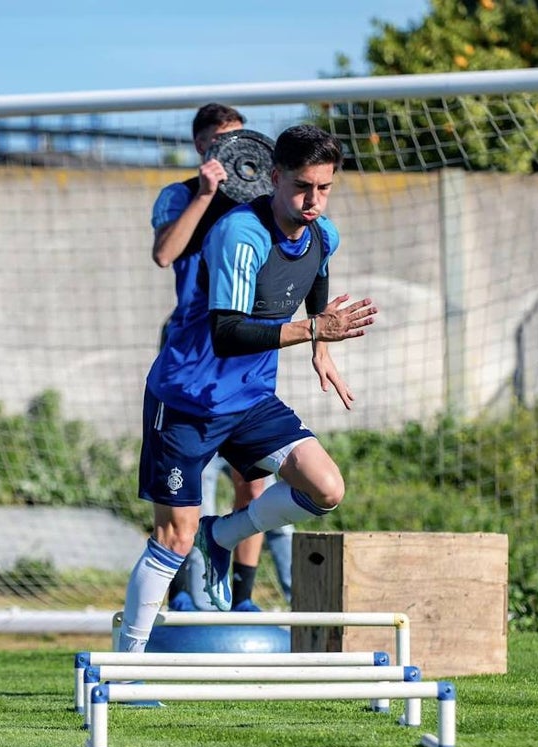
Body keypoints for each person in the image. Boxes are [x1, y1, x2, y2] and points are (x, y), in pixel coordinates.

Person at [118, 124, 377, 652]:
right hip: (187, 398)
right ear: (275, 178)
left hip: (251, 398)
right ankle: (124, 665)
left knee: (325, 487)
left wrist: (320, 348)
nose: (313, 200)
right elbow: (229, 332)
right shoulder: (241, 233)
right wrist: (314, 330)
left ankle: (222, 537)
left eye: (324, 188)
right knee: (173, 538)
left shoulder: (325, 232)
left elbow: (317, 278)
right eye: (303, 186)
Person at [150, 102, 292, 614]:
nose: (229, 150)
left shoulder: (262, 203)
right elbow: (165, 254)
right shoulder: (181, 195)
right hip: (192, 356)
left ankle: (244, 598)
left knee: (254, 481)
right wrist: (208, 193)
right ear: (200, 146)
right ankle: (181, 595)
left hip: (246, 354)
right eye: (217, 142)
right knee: (185, 493)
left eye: (238, 139)